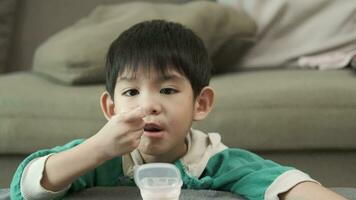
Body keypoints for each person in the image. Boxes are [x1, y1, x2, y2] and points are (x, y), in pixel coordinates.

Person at [10, 20, 346, 200]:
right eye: (131, 92)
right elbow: (26, 186)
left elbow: (286, 183)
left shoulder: (216, 162)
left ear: (200, 104)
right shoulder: (100, 156)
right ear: (111, 107)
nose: (149, 105)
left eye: (168, 90)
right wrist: (97, 149)